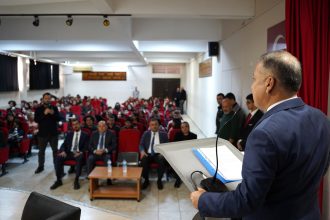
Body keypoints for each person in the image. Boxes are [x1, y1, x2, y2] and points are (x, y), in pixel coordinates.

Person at [190, 51, 330, 219]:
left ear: (269, 83)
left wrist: (203, 200)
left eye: (254, 79)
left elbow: (246, 201)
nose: (252, 86)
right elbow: (320, 169)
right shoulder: (321, 119)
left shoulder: (264, 133)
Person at [50, 119, 89, 190]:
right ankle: (59, 180)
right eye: (73, 125)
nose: (75, 126)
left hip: (78, 153)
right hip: (68, 153)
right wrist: (63, 151)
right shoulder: (69, 134)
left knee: (80, 158)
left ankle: (76, 180)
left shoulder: (85, 135)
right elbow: (64, 144)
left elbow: (87, 146)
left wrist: (80, 152)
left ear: (80, 124)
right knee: (58, 158)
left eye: (76, 124)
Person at [34, 93, 61, 174]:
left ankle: (56, 165)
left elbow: (59, 119)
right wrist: (44, 114)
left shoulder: (54, 108)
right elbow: (36, 120)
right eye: (46, 98)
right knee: (41, 151)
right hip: (42, 133)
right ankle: (41, 166)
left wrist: (53, 114)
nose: (48, 100)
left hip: (53, 133)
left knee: (55, 151)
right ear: (43, 99)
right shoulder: (38, 109)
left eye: (49, 98)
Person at [139, 118, 168, 190]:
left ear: (159, 125)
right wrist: (142, 151)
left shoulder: (164, 135)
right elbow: (141, 144)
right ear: (149, 126)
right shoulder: (146, 133)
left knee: (162, 160)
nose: (154, 126)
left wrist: (163, 153)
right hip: (147, 154)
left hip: (158, 154)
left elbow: (167, 146)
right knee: (143, 160)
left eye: (156, 124)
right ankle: (146, 180)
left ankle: (159, 180)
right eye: (152, 125)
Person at [172, 121, 197, 188]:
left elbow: (194, 147)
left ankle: (190, 179)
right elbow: (174, 146)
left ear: (189, 127)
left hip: (189, 154)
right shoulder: (177, 135)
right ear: (181, 128)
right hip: (179, 154)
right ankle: (178, 179)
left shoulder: (194, 136)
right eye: (182, 127)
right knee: (176, 162)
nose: (184, 128)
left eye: (186, 127)